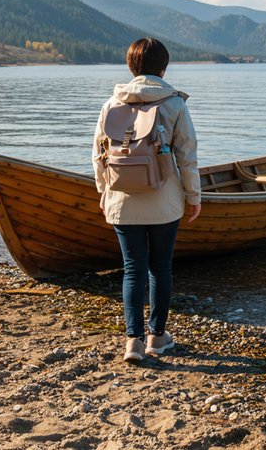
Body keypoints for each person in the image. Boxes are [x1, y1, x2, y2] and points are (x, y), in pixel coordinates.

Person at [93, 38, 201, 362]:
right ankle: (157, 336)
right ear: (163, 68)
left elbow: (98, 155)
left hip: (121, 199)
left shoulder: (111, 104)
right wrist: (194, 197)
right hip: (164, 201)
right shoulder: (175, 104)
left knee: (132, 269)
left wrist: (103, 192)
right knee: (160, 268)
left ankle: (133, 343)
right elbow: (187, 157)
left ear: (131, 67)